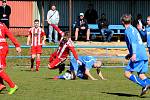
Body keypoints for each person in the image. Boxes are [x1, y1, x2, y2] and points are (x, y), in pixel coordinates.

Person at [121, 14, 150, 96]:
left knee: (127, 73)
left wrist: (133, 54)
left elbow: (133, 42)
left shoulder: (128, 30)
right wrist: (130, 54)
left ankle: (144, 85)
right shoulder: (134, 29)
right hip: (143, 54)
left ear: (122, 22)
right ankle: (146, 84)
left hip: (137, 55)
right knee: (141, 75)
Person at [0, 22, 21, 94]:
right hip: (4, 47)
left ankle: (12, 86)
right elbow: (10, 35)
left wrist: (17, 45)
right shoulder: (3, 25)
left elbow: (10, 35)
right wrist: (17, 45)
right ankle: (1, 85)